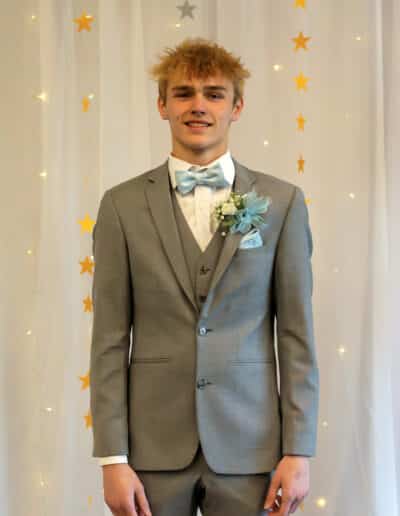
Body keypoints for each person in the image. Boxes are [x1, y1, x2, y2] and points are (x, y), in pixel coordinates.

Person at [90, 37, 319, 516]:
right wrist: (113, 457)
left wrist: (298, 450)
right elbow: (109, 338)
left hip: (252, 446)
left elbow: (296, 337)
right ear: (162, 105)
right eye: (183, 93)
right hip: (151, 450)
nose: (198, 105)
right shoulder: (121, 206)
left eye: (214, 94)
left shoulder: (282, 203)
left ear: (237, 107)